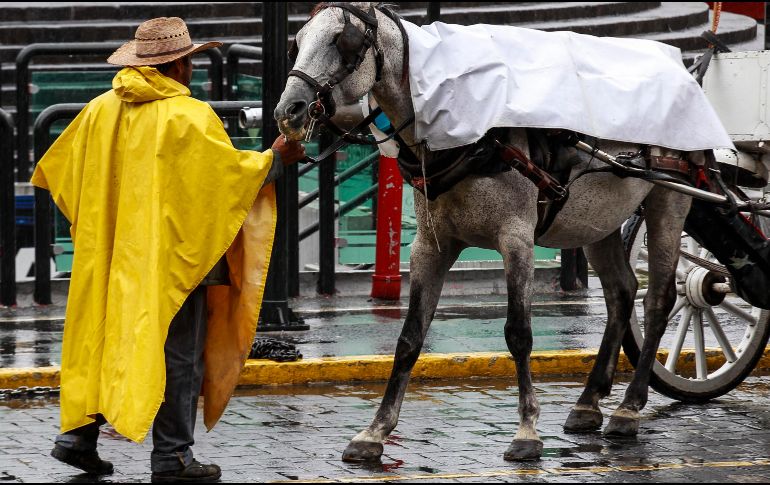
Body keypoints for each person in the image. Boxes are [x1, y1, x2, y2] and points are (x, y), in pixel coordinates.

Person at [30, 17, 305, 483]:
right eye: (190, 61)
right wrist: (276, 159)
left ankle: (77, 437)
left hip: (111, 255)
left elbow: (61, 174)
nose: (192, 69)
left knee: (101, 342)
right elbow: (224, 181)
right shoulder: (189, 116)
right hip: (175, 259)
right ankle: (173, 456)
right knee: (180, 354)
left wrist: (103, 228)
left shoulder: (98, 110)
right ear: (178, 65)